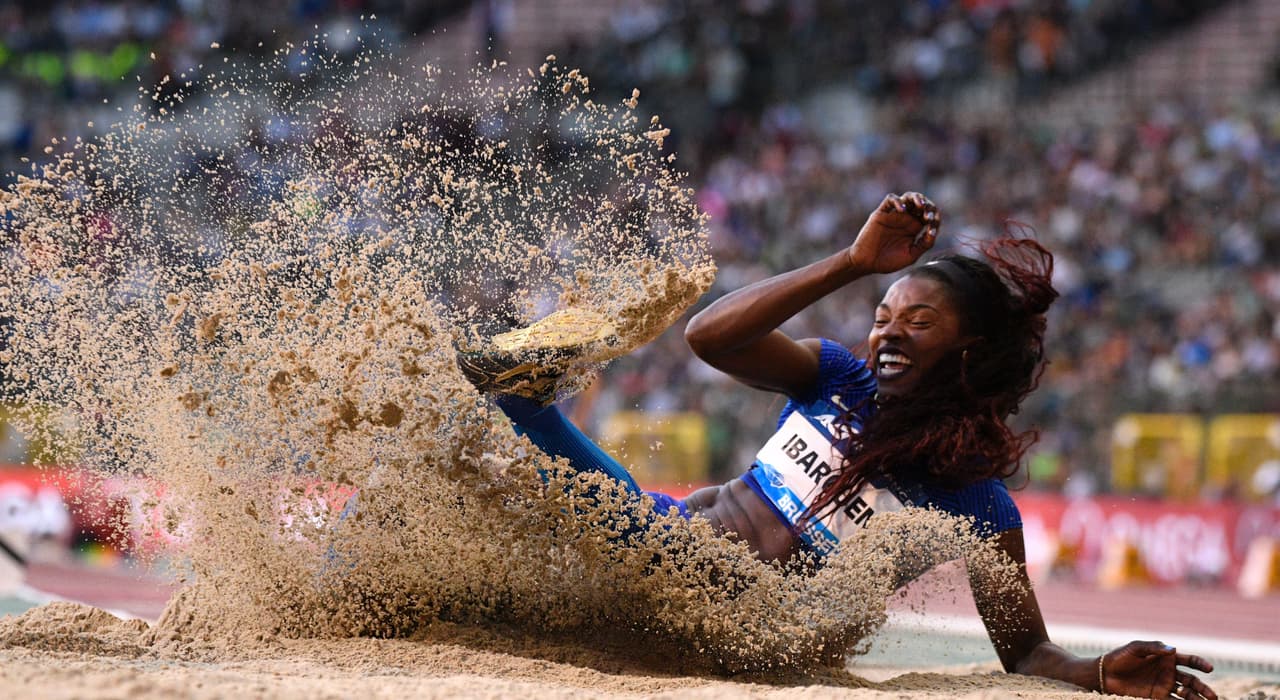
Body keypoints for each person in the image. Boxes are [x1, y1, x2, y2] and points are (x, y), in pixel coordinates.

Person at [458, 192, 1217, 699]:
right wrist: (850, 264)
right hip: (664, 538)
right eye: (883, 314)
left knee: (529, 442)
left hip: (739, 624)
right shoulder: (837, 379)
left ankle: (518, 394)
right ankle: (514, 378)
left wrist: (1098, 674)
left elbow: (1024, 654)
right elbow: (710, 337)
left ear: (971, 350)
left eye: (917, 322)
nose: (887, 332)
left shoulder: (978, 508)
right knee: (509, 451)